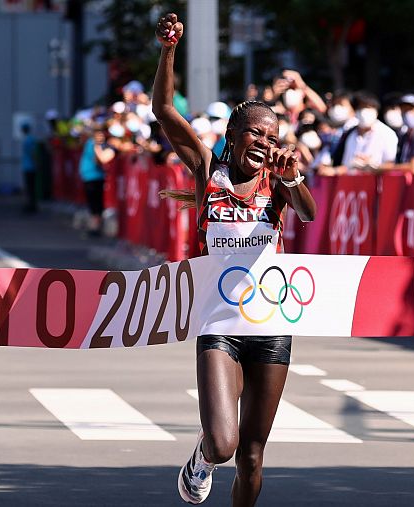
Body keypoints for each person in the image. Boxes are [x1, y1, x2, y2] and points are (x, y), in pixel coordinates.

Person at [153, 12, 317, 506]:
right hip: (219, 321)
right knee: (223, 445)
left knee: (251, 458)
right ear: (232, 135)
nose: (262, 143)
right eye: (254, 134)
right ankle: (200, 460)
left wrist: (291, 179)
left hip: (271, 322)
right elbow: (163, 110)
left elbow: (308, 213)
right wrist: (167, 51)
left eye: (270, 137)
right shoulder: (211, 170)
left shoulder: (279, 181)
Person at [78, 123, 116, 236]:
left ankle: (96, 226)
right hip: (88, 176)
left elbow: (101, 160)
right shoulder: (90, 143)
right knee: (92, 202)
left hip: (96, 177)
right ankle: (93, 225)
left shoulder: (102, 146)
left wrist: (97, 147)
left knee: (96, 202)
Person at [20, 123, 39, 213]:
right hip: (31, 166)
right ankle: (32, 204)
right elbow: (34, 153)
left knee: (29, 187)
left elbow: (32, 153)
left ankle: (30, 205)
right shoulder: (31, 139)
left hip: (27, 167)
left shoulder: (27, 140)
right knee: (32, 187)